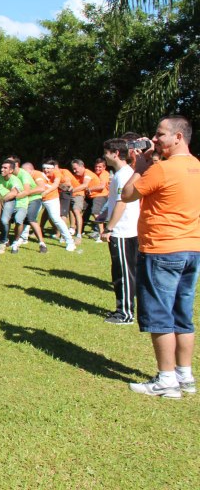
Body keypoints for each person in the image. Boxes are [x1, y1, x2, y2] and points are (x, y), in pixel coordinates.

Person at [121, 116, 199, 398]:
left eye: (160, 134)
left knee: (160, 315)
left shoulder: (162, 170)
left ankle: (166, 380)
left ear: (178, 137)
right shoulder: (196, 167)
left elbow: (127, 194)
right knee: (182, 316)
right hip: (192, 249)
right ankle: (185, 375)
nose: (155, 139)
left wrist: (140, 166)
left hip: (162, 248)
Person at [101, 137, 139, 325]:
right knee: (124, 272)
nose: (104, 156)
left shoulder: (124, 174)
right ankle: (123, 310)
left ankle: (125, 313)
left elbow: (122, 203)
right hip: (124, 229)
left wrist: (109, 228)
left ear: (115, 154)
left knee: (123, 274)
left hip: (123, 231)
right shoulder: (122, 173)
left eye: (106, 152)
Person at [38, 160, 77, 252]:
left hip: (51, 198)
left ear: (53, 168)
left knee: (56, 219)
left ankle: (70, 241)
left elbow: (56, 185)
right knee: (30, 217)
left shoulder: (57, 173)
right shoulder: (40, 174)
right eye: (44, 168)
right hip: (39, 198)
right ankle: (21, 239)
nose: (46, 170)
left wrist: (46, 192)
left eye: (48, 168)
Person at [0, 159, 24, 253]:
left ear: (11, 170)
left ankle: (3, 241)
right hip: (0, 200)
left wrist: (0, 200)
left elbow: (13, 194)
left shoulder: (15, 180)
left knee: (4, 220)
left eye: (5, 168)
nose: (2, 169)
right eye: (2, 167)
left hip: (12, 201)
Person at [69, 159, 99, 240]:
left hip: (98, 195)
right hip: (89, 197)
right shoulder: (78, 175)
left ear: (82, 166)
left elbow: (85, 185)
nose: (74, 171)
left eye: (75, 168)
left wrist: (71, 191)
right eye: (73, 169)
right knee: (74, 209)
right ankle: (74, 229)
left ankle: (101, 232)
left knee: (94, 212)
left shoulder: (87, 173)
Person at [87, 158, 111, 241]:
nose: (97, 168)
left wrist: (89, 189)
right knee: (99, 214)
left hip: (101, 195)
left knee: (96, 213)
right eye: (96, 167)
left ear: (104, 167)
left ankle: (101, 234)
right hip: (98, 196)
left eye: (100, 167)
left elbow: (101, 186)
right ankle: (99, 232)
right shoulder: (99, 174)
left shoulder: (103, 174)